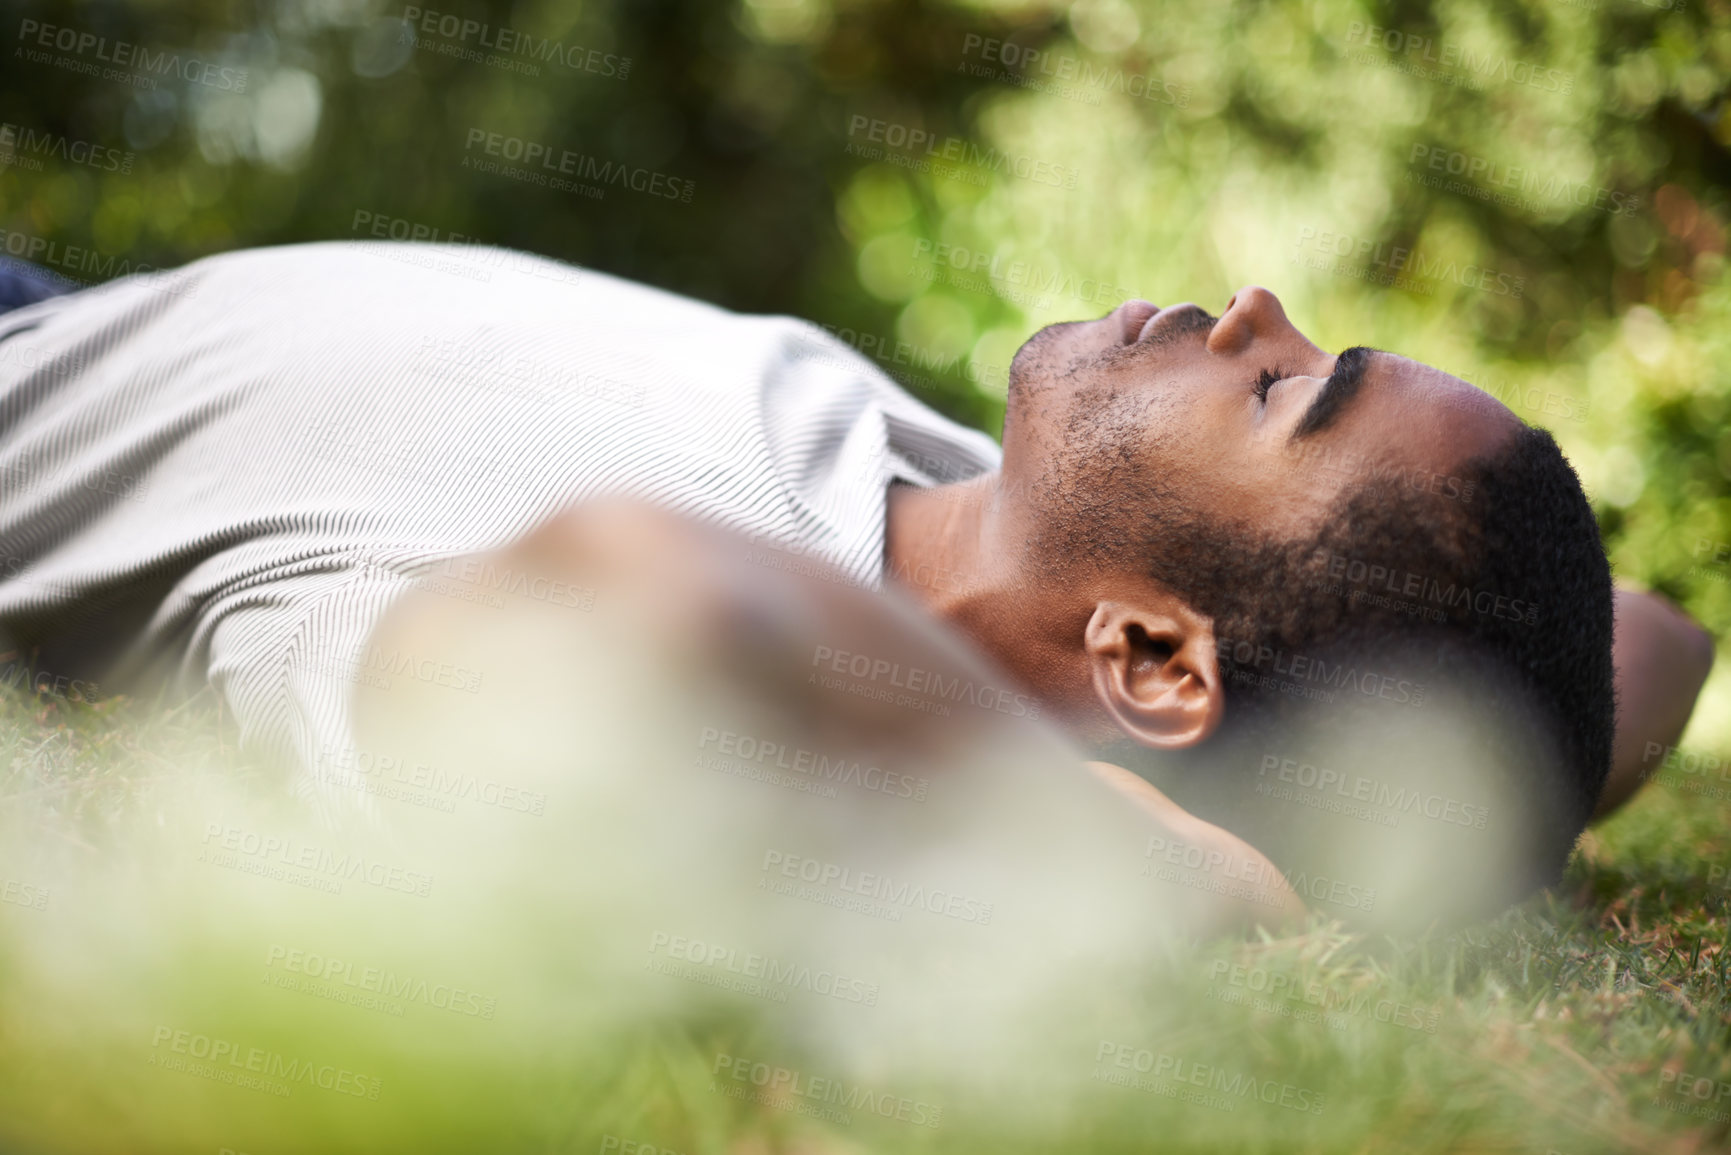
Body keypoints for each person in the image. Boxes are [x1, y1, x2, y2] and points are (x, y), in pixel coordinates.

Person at [0, 241, 1711, 925]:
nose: (1253, 309)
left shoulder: (666, 688)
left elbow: (649, 596)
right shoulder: (976, 514)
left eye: (1283, 398)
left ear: (1153, 664)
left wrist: (1159, 862)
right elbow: (1657, 642)